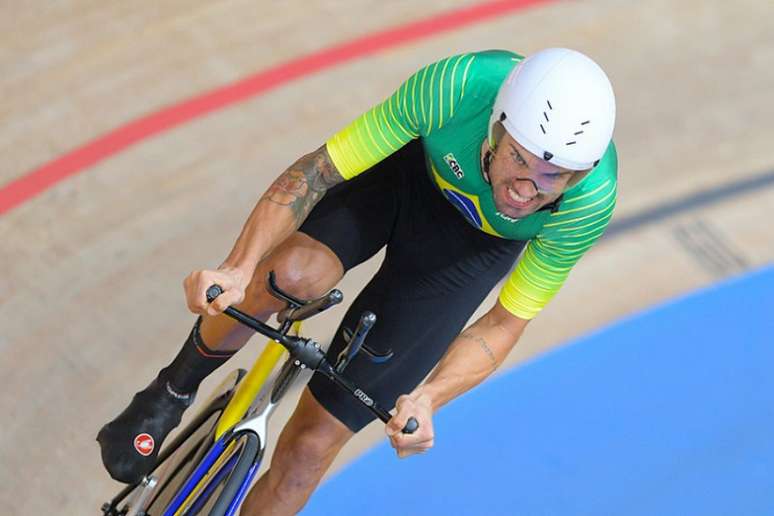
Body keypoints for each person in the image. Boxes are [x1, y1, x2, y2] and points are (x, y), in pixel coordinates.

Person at [98, 47, 618, 514]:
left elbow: (507, 320)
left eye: (554, 178)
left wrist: (430, 397)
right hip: (408, 181)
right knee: (292, 275)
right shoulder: (457, 86)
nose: (526, 191)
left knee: (307, 453)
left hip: (469, 253)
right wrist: (238, 266)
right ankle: (170, 389)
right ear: (495, 127)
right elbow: (318, 171)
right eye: (518, 160)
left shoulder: (588, 202)